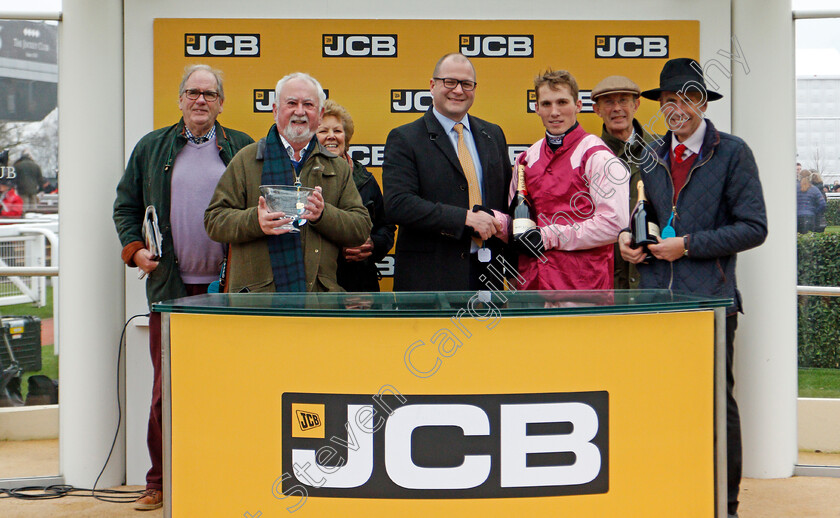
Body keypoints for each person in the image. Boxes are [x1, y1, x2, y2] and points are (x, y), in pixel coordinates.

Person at [618, 57, 768, 518]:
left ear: (702, 102)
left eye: (686, 98)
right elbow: (637, 217)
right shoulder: (647, 153)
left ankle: (727, 504)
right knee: (658, 401)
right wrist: (628, 240)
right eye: (667, 100)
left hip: (710, 302)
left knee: (716, 406)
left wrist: (688, 246)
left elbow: (754, 228)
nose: (676, 107)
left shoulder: (733, 152)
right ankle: (668, 494)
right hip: (654, 303)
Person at [112, 64, 254, 511]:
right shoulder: (152, 147)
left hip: (229, 291)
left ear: (221, 103)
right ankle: (158, 481)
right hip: (170, 292)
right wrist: (135, 251)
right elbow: (126, 207)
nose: (200, 100)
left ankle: (226, 474)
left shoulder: (244, 148)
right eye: (193, 92)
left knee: (229, 387)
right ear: (180, 99)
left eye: (209, 94)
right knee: (164, 392)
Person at [204, 72, 371, 293]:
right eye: (291, 103)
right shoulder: (247, 159)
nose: (299, 111)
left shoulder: (337, 167)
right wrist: (256, 220)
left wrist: (324, 215)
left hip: (317, 303)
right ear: (275, 110)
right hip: (257, 304)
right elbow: (214, 221)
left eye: (308, 104)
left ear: (320, 114)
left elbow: (360, 227)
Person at [383, 53, 512, 291]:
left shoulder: (493, 135)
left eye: (466, 84)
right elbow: (398, 204)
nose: (458, 90)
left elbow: (506, 200)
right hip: (430, 279)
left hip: (488, 275)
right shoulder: (405, 138)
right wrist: (465, 218)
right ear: (432, 85)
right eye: (449, 82)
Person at [509, 69, 629, 290]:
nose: (554, 112)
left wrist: (549, 236)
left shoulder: (597, 155)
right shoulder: (526, 159)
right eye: (546, 104)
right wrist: (494, 221)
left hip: (584, 290)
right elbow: (518, 222)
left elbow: (614, 224)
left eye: (562, 102)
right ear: (536, 109)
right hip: (533, 286)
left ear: (578, 105)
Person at [316, 100, 396, 292]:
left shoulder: (365, 179)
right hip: (317, 287)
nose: (331, 137)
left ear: (347, 137)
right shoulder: (301, 178)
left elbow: (386, 227)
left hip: (360, 286)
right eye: (323, 131)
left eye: (337, 131)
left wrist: (372, 245)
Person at [591, 75, 659, 289]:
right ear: (597, 109)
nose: (617, 108)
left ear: (636, 105)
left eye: (623, 101)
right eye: (609, 102)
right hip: (607, 280)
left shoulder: (661, 150)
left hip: (653, 275)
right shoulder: (588, 156)